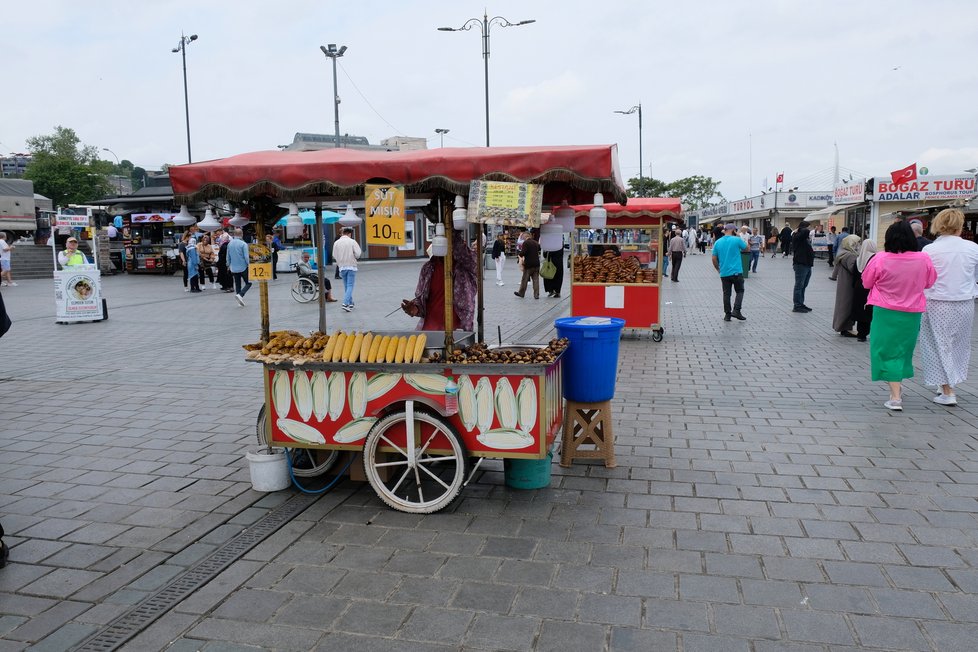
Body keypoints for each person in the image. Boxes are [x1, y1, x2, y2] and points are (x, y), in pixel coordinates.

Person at [862, 220, 937, 411]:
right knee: (902, 351)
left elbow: (866, 282)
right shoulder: (923, 259)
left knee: (883, 350)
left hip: (885, 311)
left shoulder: (880, 258)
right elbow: (929, 282)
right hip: (912, 313)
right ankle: (896, 388)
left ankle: (895, 397)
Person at [918, 209, 978, 406]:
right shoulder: (972, 248)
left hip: (936, 302)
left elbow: (923, 279)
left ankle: (947, 389)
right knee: (958, 345)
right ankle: (948, 382)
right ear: (959, 225)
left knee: (937, 345)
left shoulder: (930, 250)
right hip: (965, 302)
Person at [401, 230, 477, 331]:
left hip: (458, 332)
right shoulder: (428, 269)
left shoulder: (465, 266)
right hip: (430, 330)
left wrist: (452, 231)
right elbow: (420, 300)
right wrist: (415, 309)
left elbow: (462, 251)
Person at [712, 223, 747, 321]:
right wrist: (739, 236)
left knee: (726, 294)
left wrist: (718, 269)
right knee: (740, 291)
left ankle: (727, 315)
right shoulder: (737, 239)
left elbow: (714, 258)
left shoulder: (718, 242)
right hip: (736, 272)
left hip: (724, 273)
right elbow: (746, 248)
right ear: (733, 230)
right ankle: (736, 310)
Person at [830, 234, 862, 337]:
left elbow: (835, 270)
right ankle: (846, 328)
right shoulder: (851, 255)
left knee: (841, 304)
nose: (859, 245)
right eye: (858, 243)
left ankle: (840, 325)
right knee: (847, 306)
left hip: (842, 284)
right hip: (849, 284)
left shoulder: (842, 253)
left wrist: (834, 277)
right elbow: (854, 270)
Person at [851, 238, 877, 342]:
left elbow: (854, 275)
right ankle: (868, 331)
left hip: (858, 287)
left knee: (860, 310)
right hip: (870, 287)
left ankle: (861, 333)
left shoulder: (859, 258)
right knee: (869, 310)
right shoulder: (874, 258)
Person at [333, 227, 362, 311]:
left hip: (342, 266)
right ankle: (345, 303)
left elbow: (334, 255)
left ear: (343, 233)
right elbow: (358, 253)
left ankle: (350, 302)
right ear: (349, 234)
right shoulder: (352, 241)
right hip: (351, 265)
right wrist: (354, 256)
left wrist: (339, 261)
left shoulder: (337, 243)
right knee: (350, 285)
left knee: (346, 285)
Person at [791, 220, 815, 313]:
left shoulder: (802, 237)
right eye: (808, 227)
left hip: (807, 264)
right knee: (799, 285)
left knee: (803, 285)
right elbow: (804, 232)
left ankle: (801, 303)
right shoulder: (798, 236)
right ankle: (797, 305)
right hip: (800, 264)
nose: (809, 230)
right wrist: (802, 229)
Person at [227, 227, 252, 306]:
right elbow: (246, 257)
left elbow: (228, 257)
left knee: (237, 284)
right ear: (241, 234)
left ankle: (239, 302)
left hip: (233, 267)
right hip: (243, 266)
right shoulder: (243, 244)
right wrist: (249, 264)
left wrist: (228, 265)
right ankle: (241, 295)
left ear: (234, 234)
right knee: (248, 283)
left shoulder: (229, 244)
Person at [514, 229, 541, 299]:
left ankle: (521, 293)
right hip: (536, 264)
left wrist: (519, 256)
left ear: (526, 236)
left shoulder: (526, 243)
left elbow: (523, 252)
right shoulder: (535, 242)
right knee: (536, 280)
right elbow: (539, 249)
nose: (522, 237)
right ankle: (536, 294)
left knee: (524, 279)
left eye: (523, 236)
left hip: (529, 264)